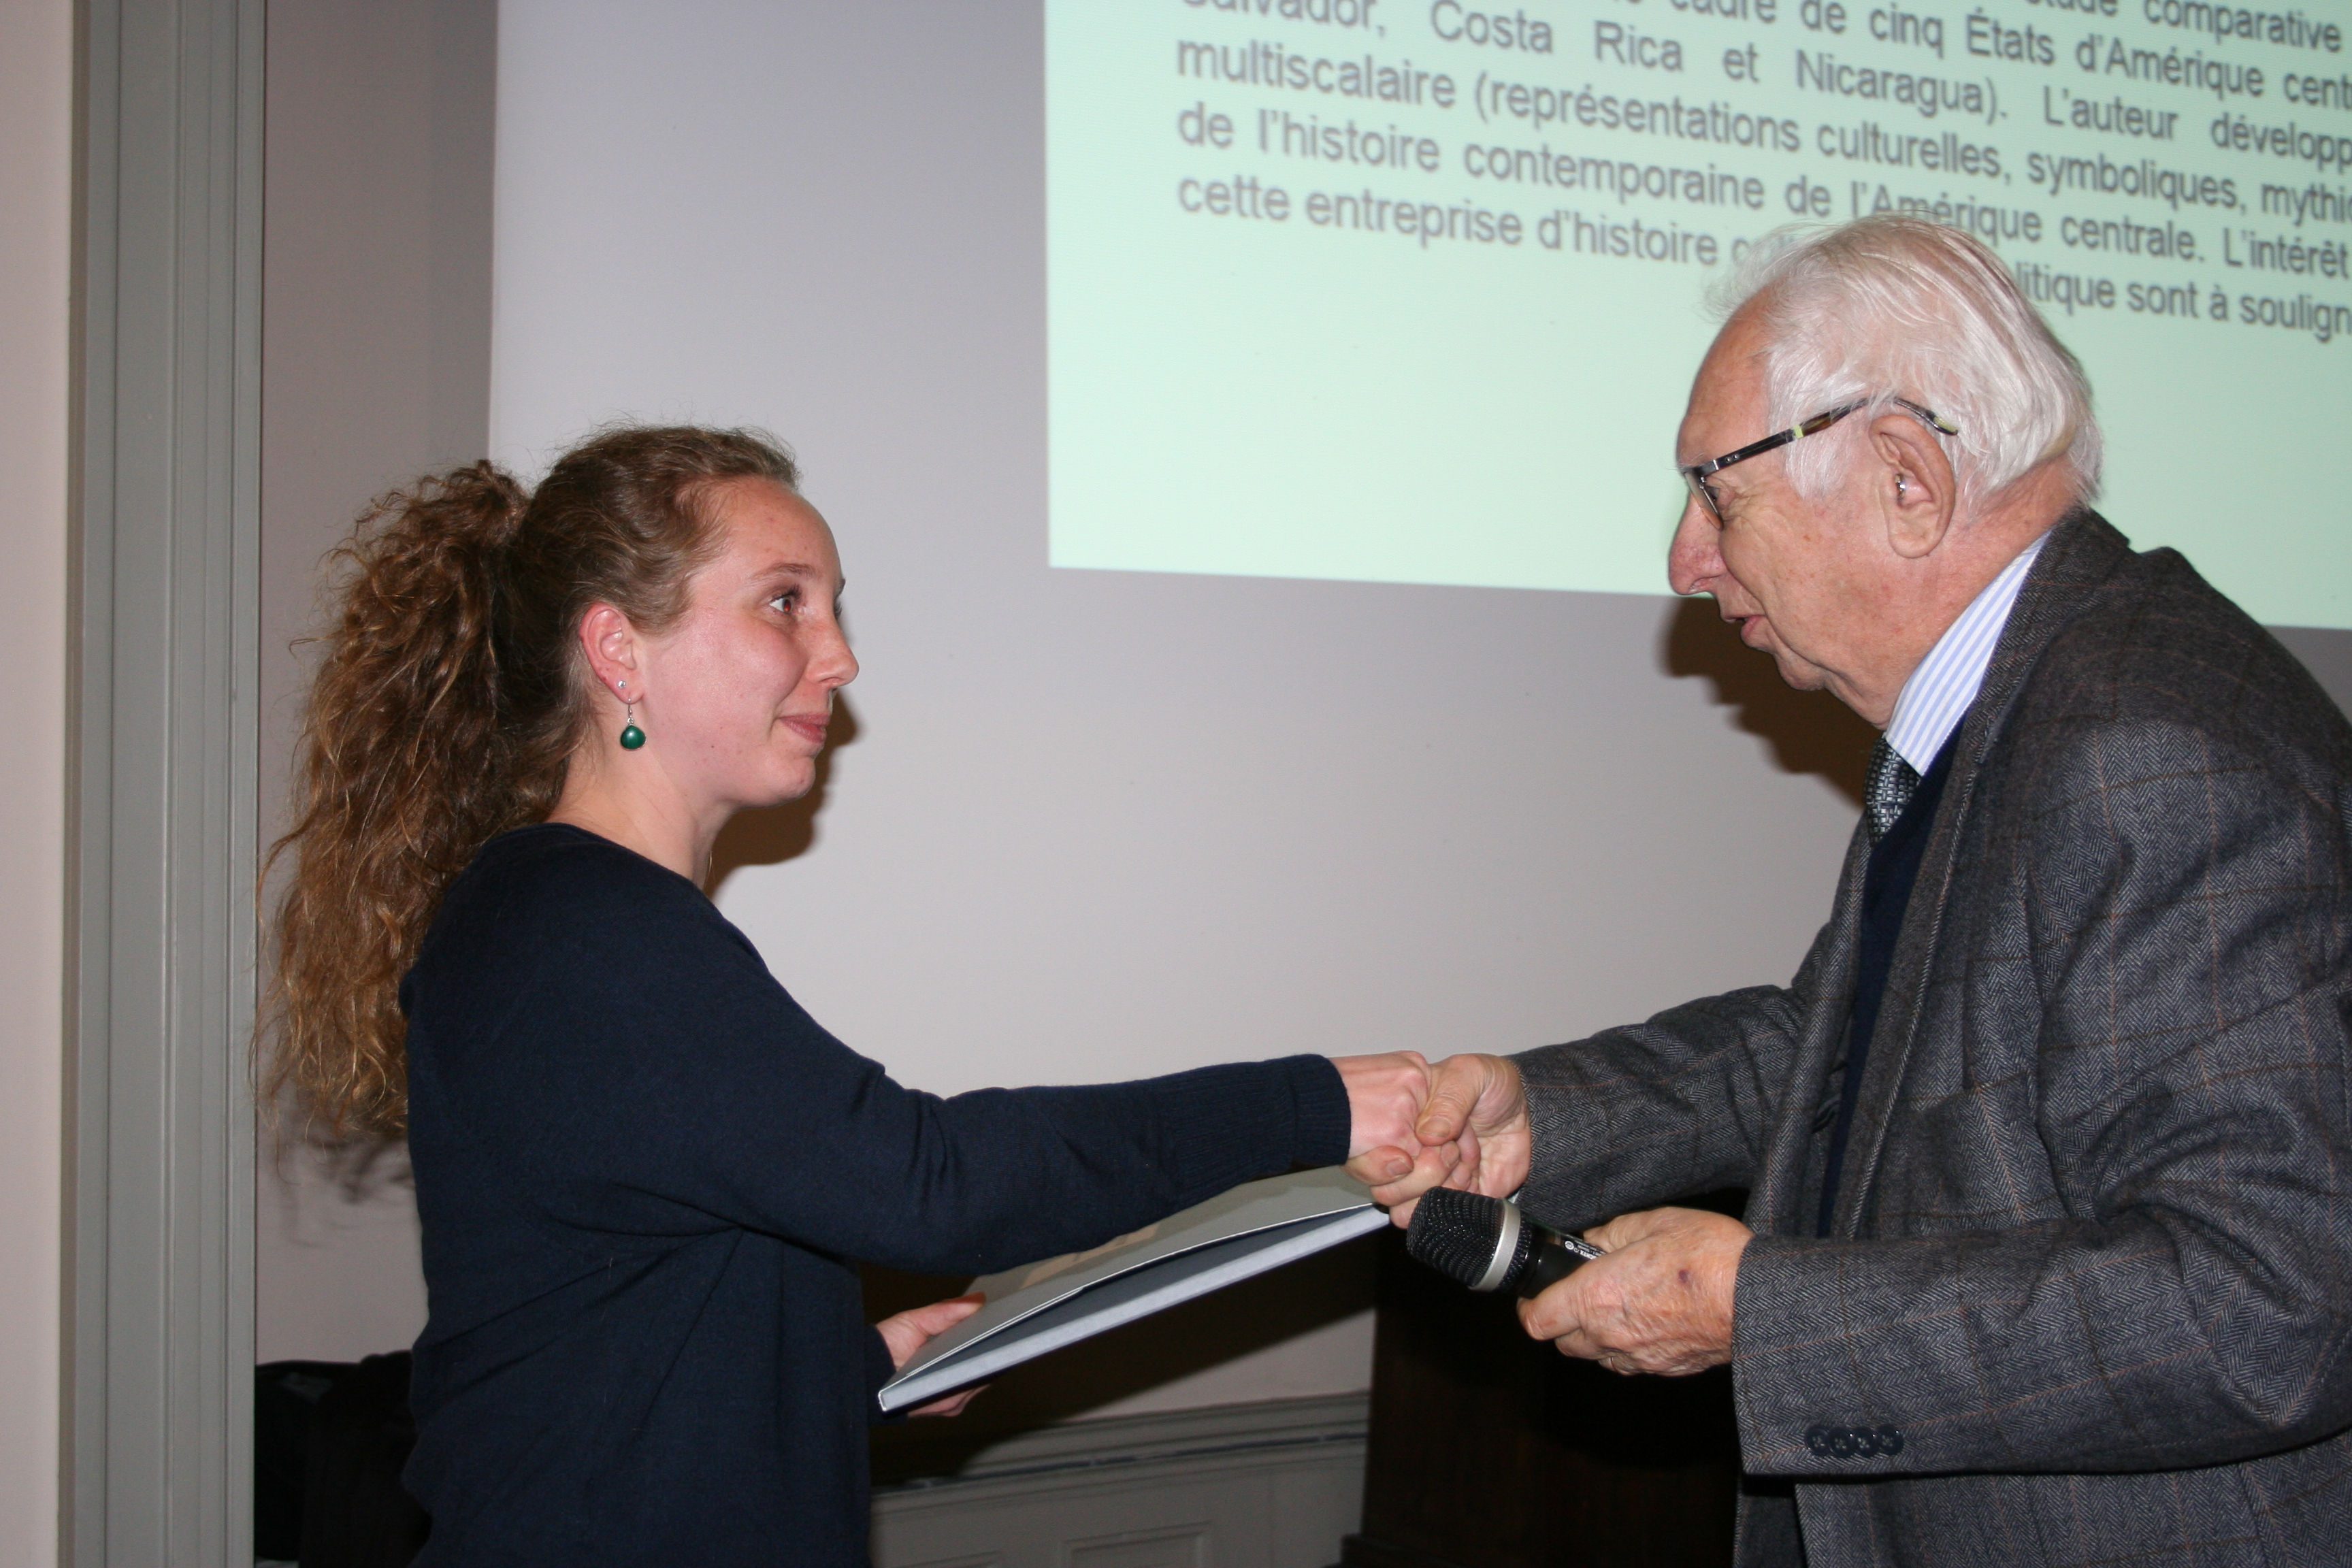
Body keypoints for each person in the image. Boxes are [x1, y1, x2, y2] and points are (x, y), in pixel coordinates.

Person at [265, 425, 1437, 1567]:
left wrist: (843, 1371)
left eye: (833, 607)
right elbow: (932, 1187)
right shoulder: (586, 930)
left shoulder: (563, 918)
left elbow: (619, 1322)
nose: (839, 657)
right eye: (785, 602)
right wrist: (1312, 1104)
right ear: (620, 649)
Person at [1359, 216, 2352, 1565]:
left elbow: (2269, 1305)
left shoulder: (2147, 753)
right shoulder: (2014, 708)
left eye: (1719, 497)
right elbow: (1841, 1060)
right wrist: (1549, 1118)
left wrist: (1767, 1319)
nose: (1685, 562)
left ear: (1905, 479)